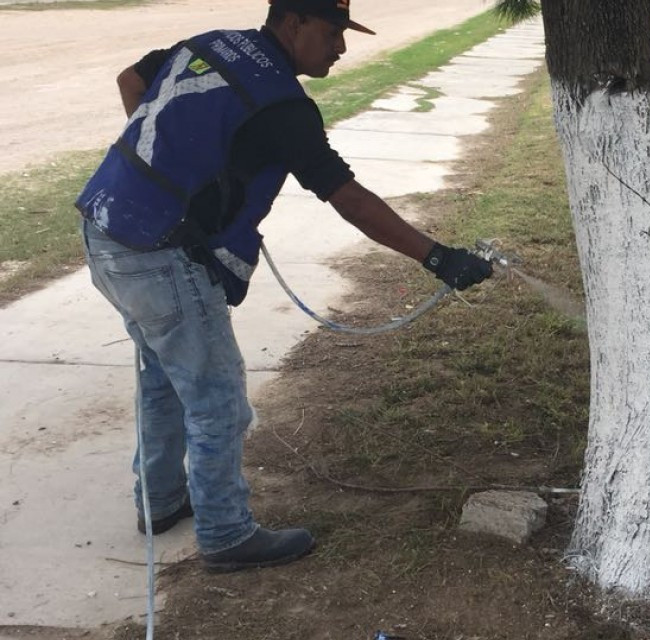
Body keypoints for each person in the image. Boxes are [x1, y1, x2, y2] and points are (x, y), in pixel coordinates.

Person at [76, 0, 493, 573]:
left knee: (163, 378)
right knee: (218, 401)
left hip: (106, 228)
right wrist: (438, 257)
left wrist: (162, 168)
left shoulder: (211, 42)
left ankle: (162, 501)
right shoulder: (284, 106)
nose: (341, 48)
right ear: (293, 22)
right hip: (161, 255)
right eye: (331, 32)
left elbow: (133, 80)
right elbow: (346, 197)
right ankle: (225, 534)